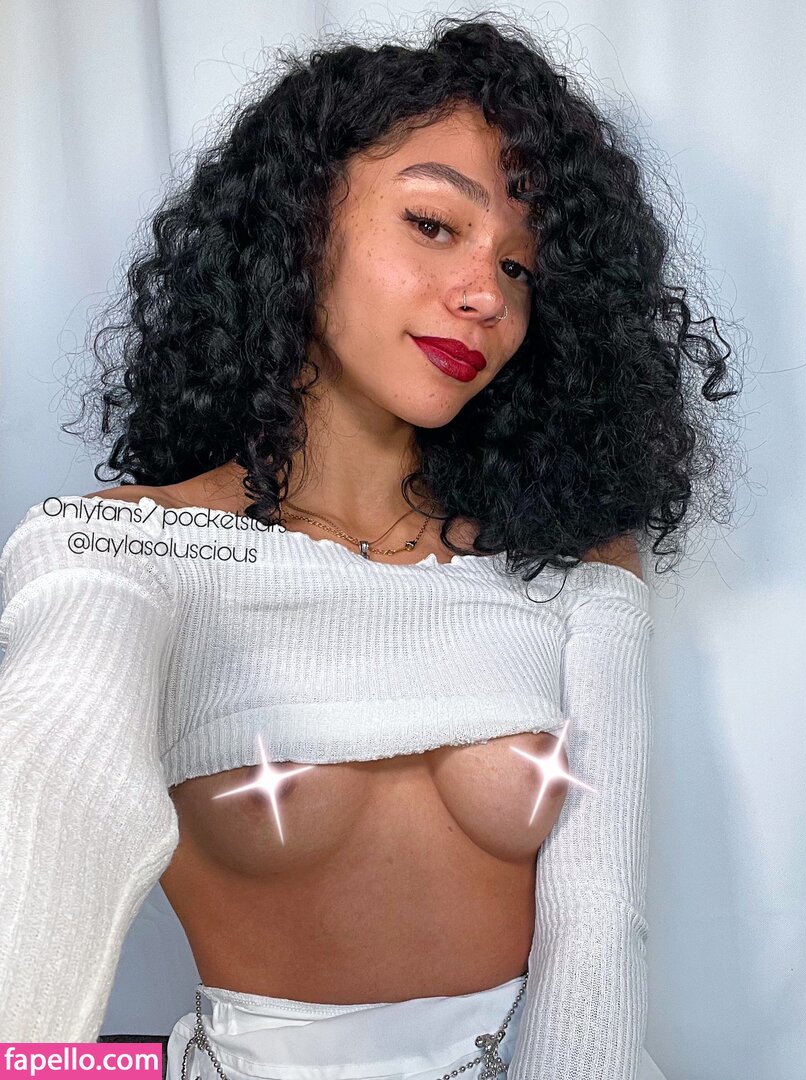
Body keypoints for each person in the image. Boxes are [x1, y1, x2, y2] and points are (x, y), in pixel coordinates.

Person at [0, 15, 742, 1080]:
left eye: (521, 269)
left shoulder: (573, 568)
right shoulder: (118, 550)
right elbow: (56, 816)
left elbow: (598, 938)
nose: (486, 295)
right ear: (298, 221)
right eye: (435, 224)